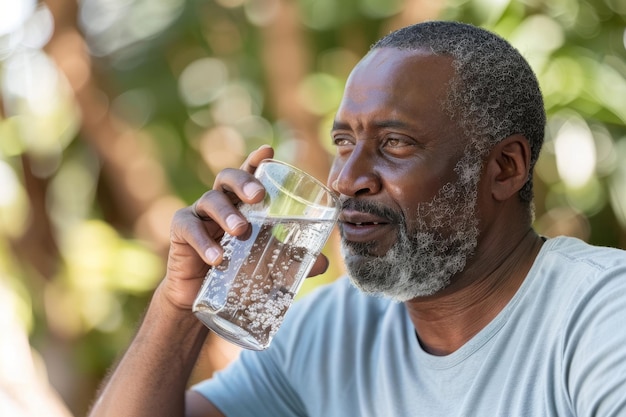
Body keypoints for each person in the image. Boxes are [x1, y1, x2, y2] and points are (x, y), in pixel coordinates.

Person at [88, 21, 626, 417]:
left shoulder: (602, 313)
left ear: (503, 169)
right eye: (344, 142)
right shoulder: (329, 329)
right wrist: (178, 308)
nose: (346, 180)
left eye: (394, 143)